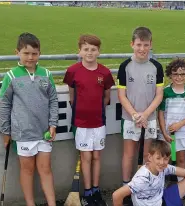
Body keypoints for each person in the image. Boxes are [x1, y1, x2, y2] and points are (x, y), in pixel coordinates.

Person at [0, 32, 59, 206]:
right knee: (27, 170)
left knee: (45, 170)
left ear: (39, 53)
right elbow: (4, 105)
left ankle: (52, 203)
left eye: (34, 53)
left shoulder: (46, 74)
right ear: (17, 52)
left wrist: (53, 125)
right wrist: (6, 131)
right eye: (26, 53)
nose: (30, 57)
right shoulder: (11, 76)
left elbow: (53, 100)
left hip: (44, 133)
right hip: (23, 133)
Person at [63, 34, 115, 206]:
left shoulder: (105, 72)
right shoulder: (73, 71)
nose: (90, 52)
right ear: (80, 51)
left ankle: (95, 190)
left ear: (99, 51)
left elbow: (107, 95)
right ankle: (86, 192)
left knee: (96, 157)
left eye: (93, 49)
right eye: (86, 49)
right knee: (85, 157)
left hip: (99, 122)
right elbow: (71, 92)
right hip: (81, 123)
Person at [117, 26, 164, 205]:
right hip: (130, 119)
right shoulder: (125, 66)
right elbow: (122, 95)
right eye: (138, 45)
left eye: (145, 45)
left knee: (147, 155)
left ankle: (144, 188)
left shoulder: (156, 67)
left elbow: (159, 95)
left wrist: (145, 114)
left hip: (150, 118)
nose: (142, 49)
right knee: (129, 154)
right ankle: (126, 188)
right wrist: (136, 114)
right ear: (132, 44)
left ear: (151, 45)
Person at [157, 58, 185, 199]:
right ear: (170, 75)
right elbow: (161, 114)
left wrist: (179, 124)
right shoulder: (166, 92)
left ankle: (182, 188)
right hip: (167, 134)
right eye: (175, 74)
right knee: (164, 160)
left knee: (181, 159)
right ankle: (160, 188)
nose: (179, 77)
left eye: (182, 74)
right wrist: (164, 132)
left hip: (182, 133)